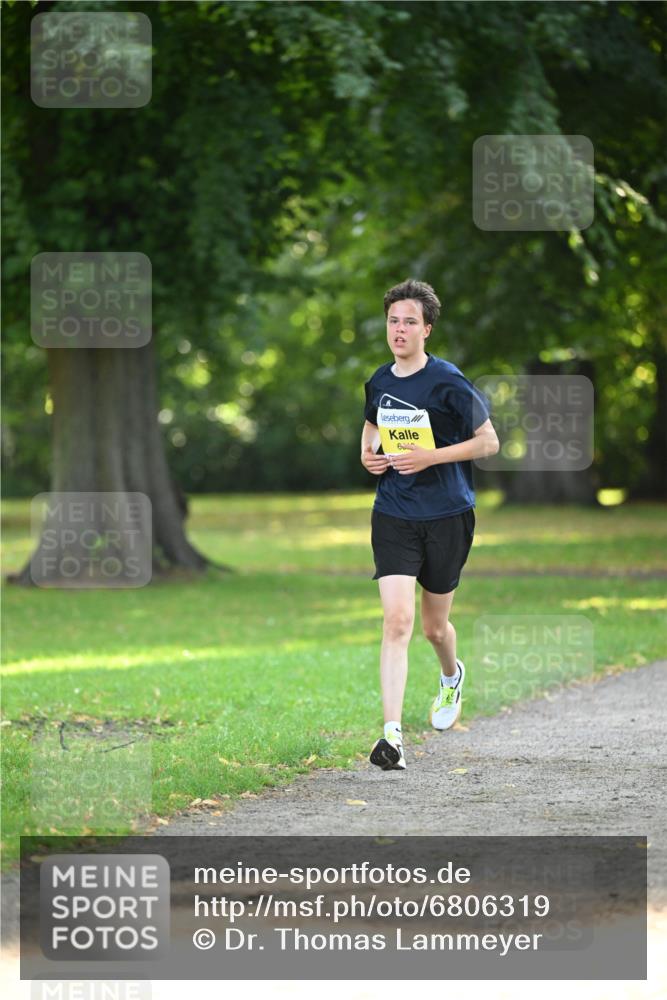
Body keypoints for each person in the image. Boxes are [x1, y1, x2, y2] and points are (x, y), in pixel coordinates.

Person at [361, 278, 499, 771]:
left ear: (427, 330)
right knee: (396, 622)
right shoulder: (378, 380)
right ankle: (392, 739)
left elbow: (489, 443)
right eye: (393, 321)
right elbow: (374, 423)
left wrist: (431, 456)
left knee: (434, 628)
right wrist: (367, 454)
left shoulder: (448, 381)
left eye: (409, 322)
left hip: (447, 515)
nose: (399, 330)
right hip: (394, 513)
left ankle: (450, 676)